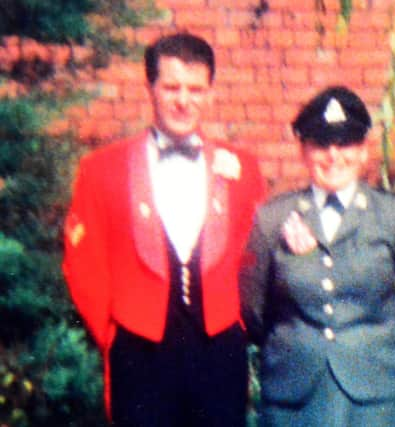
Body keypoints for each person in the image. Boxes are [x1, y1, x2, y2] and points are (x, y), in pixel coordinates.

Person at [62, 33, 265, 426]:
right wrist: (114, 332)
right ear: (150, 87)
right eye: (171, 87)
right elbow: (83, 263)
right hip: (139, 349)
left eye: (196, 89)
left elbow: (254, 256)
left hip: (219, 350)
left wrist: (238, 323)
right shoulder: (102, 168)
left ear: (210, 93)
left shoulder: (243, 168)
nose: (183, 101)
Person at [239, 86, 395, 427]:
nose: (334, 156)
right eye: (321, 144)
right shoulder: (273, 218)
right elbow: (254, 310)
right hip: (296, 398)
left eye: (346, 143)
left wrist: (374, 349)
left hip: (379, 397)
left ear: (364, 151)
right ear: (303, 150)